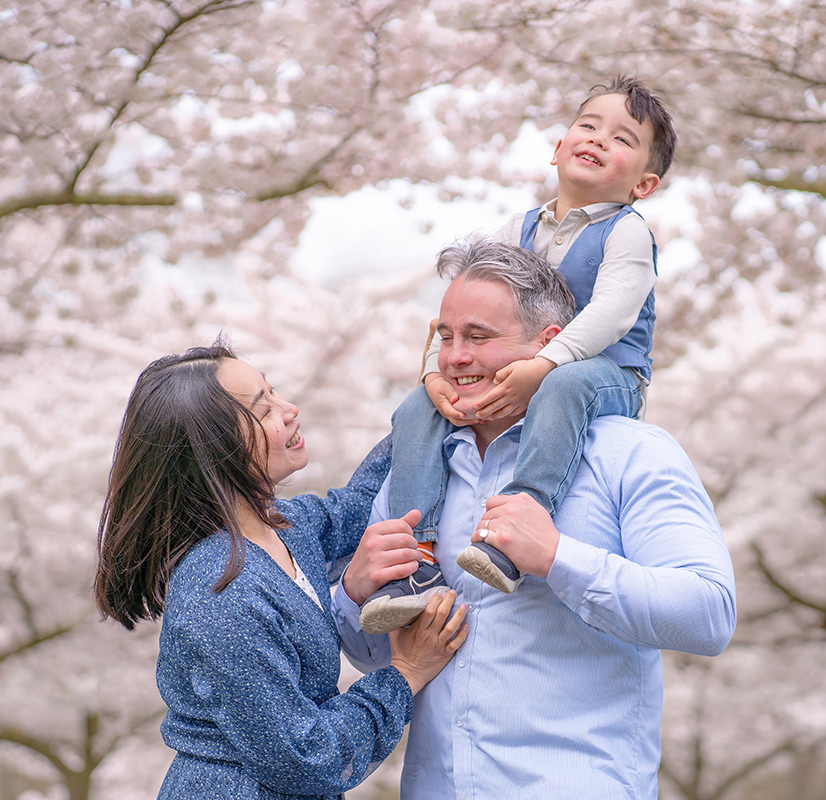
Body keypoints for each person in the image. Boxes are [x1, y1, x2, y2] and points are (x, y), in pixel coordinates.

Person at [337, 239, 736, 798]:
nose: (454, 358)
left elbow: (708, 615)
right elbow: (372, 651)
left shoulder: (632, 453)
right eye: (445, 337)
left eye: (478, 337)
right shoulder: (417, 471)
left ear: (548, 344)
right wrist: (355, 594)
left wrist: (556, 557)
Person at [360, 75, 677, 633]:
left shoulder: (627, 232)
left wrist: (544, 365)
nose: (600, 139)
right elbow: (469, 302)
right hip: (529, 366)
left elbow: (612, 314)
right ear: (557, 149)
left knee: (566, 385)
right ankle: (417, 555)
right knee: (415, 410)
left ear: (644, 184)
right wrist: (436, 375)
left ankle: (517, 520)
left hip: (607, 374)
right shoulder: (520, 227)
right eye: (588, 126)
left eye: (624, 139)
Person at [93, 340, 468, 799]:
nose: (289, 410)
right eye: (263, 408)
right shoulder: (222, 592)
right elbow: (307, 758)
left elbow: (360, 502)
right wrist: (405, 673)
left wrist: (432, 399)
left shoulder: (285, 528)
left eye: (275, 393)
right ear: (216, 447)